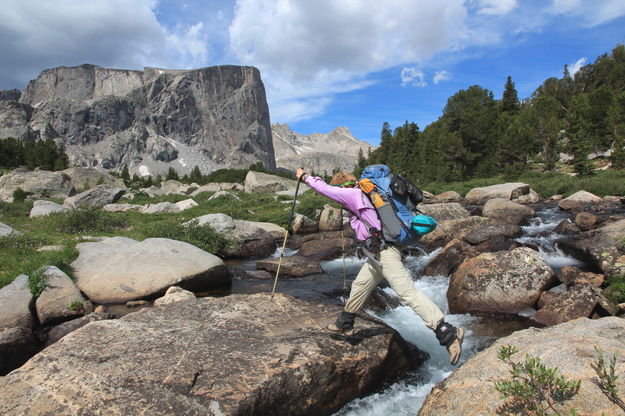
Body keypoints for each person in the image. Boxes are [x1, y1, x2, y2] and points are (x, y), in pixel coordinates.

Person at [296, 168, 464, 365]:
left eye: (338, 187)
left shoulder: (352, 194)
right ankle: (345, 322)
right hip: (378, 253)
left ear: (341, 184)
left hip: (385, 253)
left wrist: (304, 177)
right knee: (360, 285)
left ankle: (446, 331)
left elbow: (324, 189)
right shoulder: (368, 193)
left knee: (406, 292)